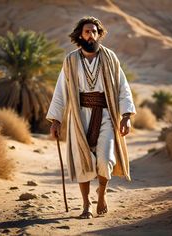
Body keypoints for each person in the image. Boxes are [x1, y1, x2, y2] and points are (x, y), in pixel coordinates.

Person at [46, 16, 136, 219]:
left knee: (105, 160)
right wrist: (56, 120)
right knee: (82, 162)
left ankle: (102, 194)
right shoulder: (70, 61)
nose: (91, 35)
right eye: (87, 31)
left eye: (95, 31)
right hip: (79, 117)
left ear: (99, 34)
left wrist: (127, 116)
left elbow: (123, 87)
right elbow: (61, 92)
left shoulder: (111, 58)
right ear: (80, 34)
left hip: (106, 115)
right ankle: (86, 205)